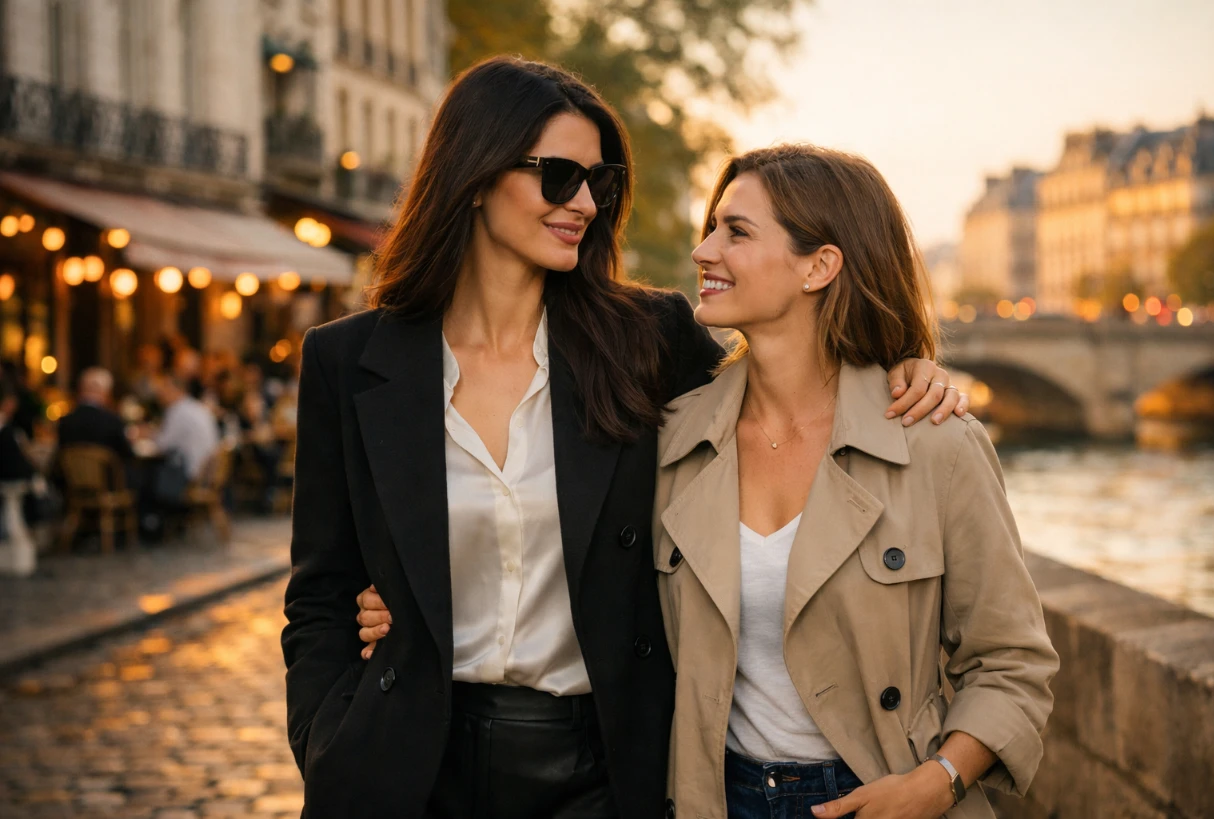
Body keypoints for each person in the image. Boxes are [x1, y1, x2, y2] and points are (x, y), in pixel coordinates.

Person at [287, 56, 965, 819]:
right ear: (474, 175)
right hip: (406, 763)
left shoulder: (650, 339)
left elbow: (789, 391)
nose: (582, 201)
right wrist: (323, 738)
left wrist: (900, 367)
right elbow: (318, 592)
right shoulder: (348, 361)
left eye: (598, 182)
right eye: (556, 176)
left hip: (600, 769)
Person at [648, 145, 1056, 818]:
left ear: (820, 265)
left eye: (737, 231)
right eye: (711, 227)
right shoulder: (674, 440)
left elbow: (1013, 662)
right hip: (714, 798)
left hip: (887, 793)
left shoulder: (937, 446)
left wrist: (936, 783)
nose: (703, 250)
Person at [151, 374, 219, 483]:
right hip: (209, 473)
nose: (160, 394)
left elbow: (162, 445)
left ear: (174, 389)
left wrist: (149, 435)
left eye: (164, 388)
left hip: (193, 475)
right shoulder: (196, 406)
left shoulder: (177, 410)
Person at [57, 368, 134, 462]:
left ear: (80, 390)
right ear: (105, 392)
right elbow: (128, 455)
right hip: (106, 476)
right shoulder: (112, 422)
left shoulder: (65, 421)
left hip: (72, 476)